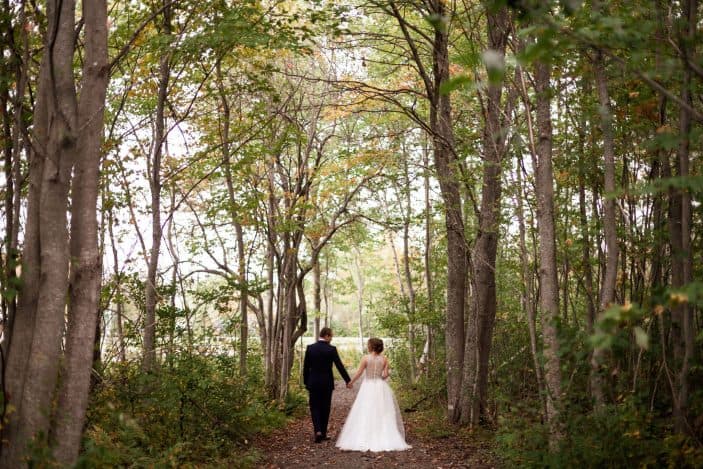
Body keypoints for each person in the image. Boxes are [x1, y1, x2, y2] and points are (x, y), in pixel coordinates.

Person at [335, 338, 411, 452]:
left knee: (366, 410)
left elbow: (359, 372)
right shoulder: (384, 359)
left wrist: (351, 382)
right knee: (382, 411)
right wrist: (384, 373)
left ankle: (365, 435)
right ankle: (385, 435)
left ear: (371, 346)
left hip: (368, 386)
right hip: (380, 386)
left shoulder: (365, 358)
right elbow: (385, 375)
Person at [303, 327, 351, 443]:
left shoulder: (310, 348)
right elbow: (339, 366)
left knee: (314, 407)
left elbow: (306, 367)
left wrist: (306, 382)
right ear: (326, 336)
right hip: (326, 383)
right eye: (331, 336)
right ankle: (323, 433)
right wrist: (347, 380)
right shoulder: (331, 349)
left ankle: (318, 431)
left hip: (313, 382)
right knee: (325, 407)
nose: (332, 339)